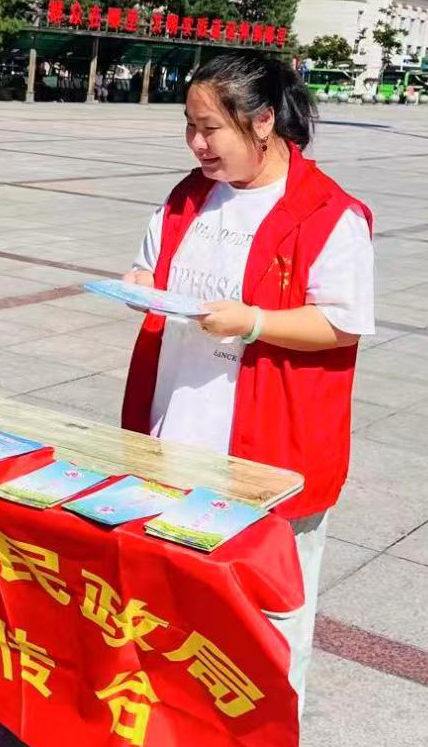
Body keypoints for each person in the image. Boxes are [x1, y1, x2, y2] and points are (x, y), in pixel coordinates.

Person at [119, 53, 373, 713]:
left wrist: (254, 322)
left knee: (271, 613)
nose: (197, 144)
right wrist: (141, 285)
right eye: (189, 126)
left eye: (210, 128)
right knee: (175, 601)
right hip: (176, 432)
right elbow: (152, 268)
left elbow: (341, 323)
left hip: (270, 449)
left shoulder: (327, 213)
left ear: (262, 122)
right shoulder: (189, 197)